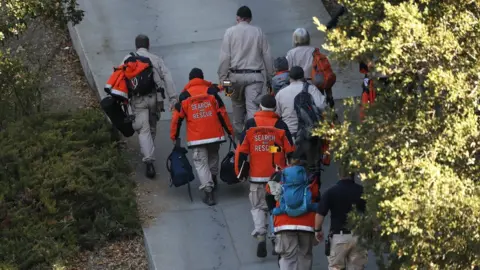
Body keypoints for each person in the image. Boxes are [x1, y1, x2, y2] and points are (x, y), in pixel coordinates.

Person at [235, 94, 295, 257]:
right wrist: (275, 152)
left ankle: (261, 235)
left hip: (256, 176)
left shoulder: (250, 125)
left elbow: (242, 151)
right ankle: (275, 238)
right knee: (276, 207)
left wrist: (240, 172)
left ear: (260, 107)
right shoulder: (281, 125)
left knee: (257, 207)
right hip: (276, 177)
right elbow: (290, 150)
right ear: (275, 108)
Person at [170, 68, 233, 206]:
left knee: (201, 163)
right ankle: (213, 178)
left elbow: (176, 118)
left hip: (197, 137)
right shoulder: (211, 91)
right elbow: (222, 113)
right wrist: (230, 131)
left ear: (190, 80)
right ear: (202, 78)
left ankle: (208, 192)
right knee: (213, 156)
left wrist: (174, 136)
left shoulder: (184, 96)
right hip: (215, 135)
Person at [122, 34, 178, 179]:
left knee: (143, 129)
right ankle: (149, 150)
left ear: (136, 46)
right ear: (148, 45)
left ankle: (149, 161)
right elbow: (168, 77)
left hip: (137, 100)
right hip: (154, 98)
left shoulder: (128, 59)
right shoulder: (156, 59)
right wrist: (173, 98)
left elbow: (119, 78)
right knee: (152, 127)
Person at [218, 6, 274, 138]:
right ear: (250, 19)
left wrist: (223, 80)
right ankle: (254, 141)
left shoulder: (229, 32)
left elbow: (224, 58)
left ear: (237, 18)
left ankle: (240, 144)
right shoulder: (258, 32)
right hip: (255, 77)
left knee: (237, 108)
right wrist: (271, 77)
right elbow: (267, 56)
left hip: (234, 77)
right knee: (253, 111)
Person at [266, 158, 320, 270]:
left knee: (287, 257)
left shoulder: (279, 177)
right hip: (307, 224)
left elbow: (268, 194)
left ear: (289, 164)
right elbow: (317, 197)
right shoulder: (311, 178)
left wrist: (274, 210)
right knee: (305, 255)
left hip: (284, 223)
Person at [315, 165, 368, 270]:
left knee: (336, 267)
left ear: (339, 175)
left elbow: (320, 214)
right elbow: (371, 213)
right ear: (353, 175)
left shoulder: (330, 192)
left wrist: (318, 230)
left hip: (339, 236)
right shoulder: (362, 191)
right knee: (357, 267)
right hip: (358, 236)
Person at [275, 66, 326, 171]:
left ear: (290, 78)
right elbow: (322, 106)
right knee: (312, 167)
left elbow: (276, 114)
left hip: (290, 135)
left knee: (292, 165)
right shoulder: (311, 89)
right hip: (309, 134)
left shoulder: (281, 93)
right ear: (303, 77)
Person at [286, 28, 335, 108]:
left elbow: (288, 72)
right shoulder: (315, 52)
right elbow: (324, 71)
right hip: (316, 85)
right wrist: (329, 96)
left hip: (298, 88)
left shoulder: (291, 53)